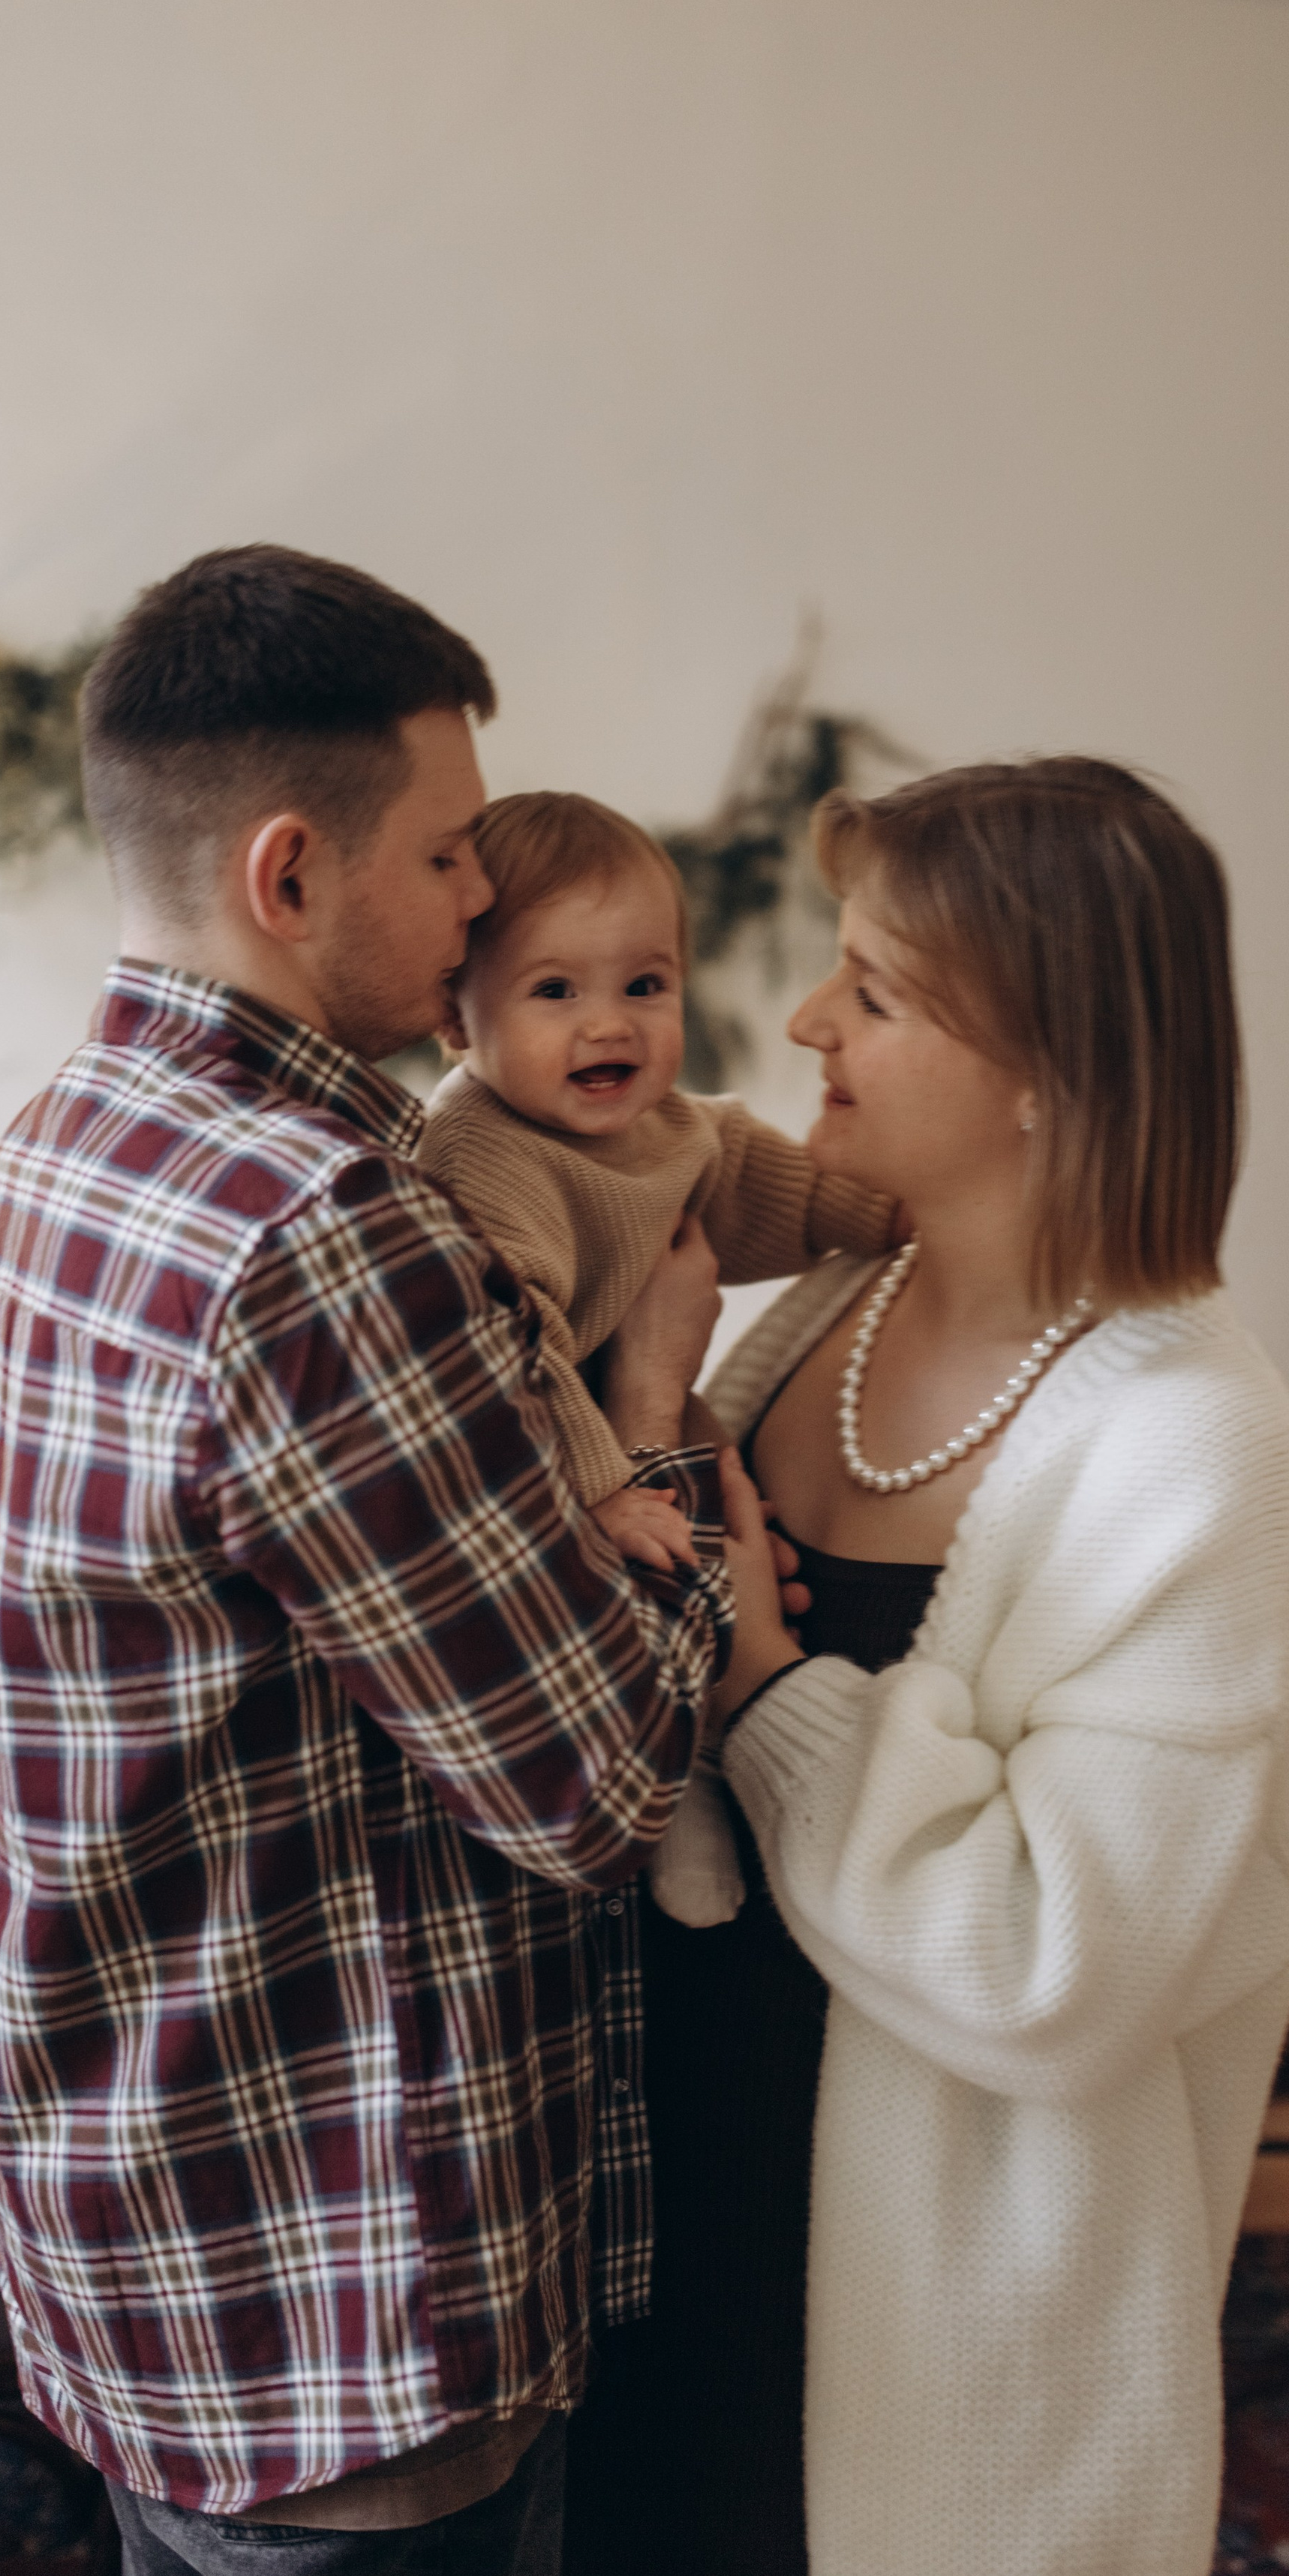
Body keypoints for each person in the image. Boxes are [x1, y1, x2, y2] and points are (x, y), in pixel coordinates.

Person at [0, 543, 750, 2576]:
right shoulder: (321, 1228)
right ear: (291, 872)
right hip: (343, 2296)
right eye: (455, 850)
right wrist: (661, 1427)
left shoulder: (66, 1151)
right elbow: (581, 1779)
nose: (490, 900)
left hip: (138, 2222)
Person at [560, 758, 1289, 2576]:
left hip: (923, 2322)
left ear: (1048, 1071)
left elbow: (1058, 1965)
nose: (807, 1022)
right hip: (684, 2221)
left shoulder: (1190, 1439)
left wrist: (771, 1690)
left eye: (876, 994)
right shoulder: (829, 1299)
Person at [418, 788, 898, 1926]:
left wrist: (895, 1217)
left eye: (645, 985)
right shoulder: (482, 1153)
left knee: (734, 1581)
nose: (611, 1026)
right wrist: (606, 1482)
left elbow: (787, 1197)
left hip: (654, 1439)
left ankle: (727, 1790)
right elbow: (518, 1350)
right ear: (455, 1019)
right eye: (554, 992)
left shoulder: (678, 1130)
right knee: (666, 1611)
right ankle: (679, 1833)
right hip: (550, 1462)